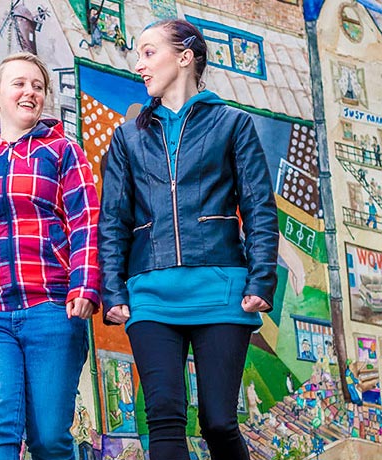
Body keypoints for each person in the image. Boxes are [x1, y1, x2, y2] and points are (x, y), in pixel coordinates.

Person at [98, 19, 278, 460]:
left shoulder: (233, 124)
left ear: (184, 57)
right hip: (151, 295)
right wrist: (113, 289)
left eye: (147, 52)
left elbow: (259, 208)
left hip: (221, 291)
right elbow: (113, 219)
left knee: (218, 421)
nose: (138, 65)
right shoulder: (127, 137)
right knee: (162, 419)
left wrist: (261, 281)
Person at [0, 52, 100, 460]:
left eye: (38, 86)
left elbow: (86, 221)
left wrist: (84, 283)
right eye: (19, 83)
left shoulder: (64, 152)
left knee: (49, 437)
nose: (30, 91)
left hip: (50, 309)